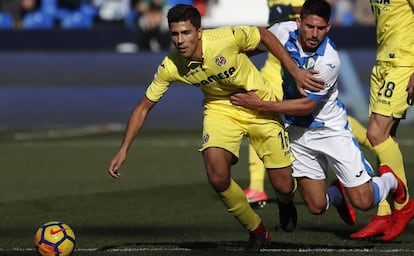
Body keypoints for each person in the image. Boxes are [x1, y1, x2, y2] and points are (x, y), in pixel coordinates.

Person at [107, 4, 323, 252]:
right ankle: (257, 230)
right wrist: (124, 149)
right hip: (220, 109)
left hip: (260, 103)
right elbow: (143, 106)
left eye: (186, 33)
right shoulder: (171, 65)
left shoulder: (224, 38)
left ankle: (286, 203)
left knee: (284, 186)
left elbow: (263, 35)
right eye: (175, 34)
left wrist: (294, 72)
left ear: (199, 32)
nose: (180, 40)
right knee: (217, 175)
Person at [230, 0, 408, 237]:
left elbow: (306, 106)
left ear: (329, 28)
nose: (314, 34)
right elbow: (254, 44)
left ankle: (391, 181)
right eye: (310, 27)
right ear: (298, 22)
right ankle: (337, 194)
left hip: (330, 130)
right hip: (297, 132)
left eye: (320, 29)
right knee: (316, 206)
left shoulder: (329, 59)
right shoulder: (282, 32)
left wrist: (260, 105)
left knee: (364, 201)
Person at [349, 0, 414, 241]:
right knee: (386, 138)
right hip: (383, 63)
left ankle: (404, 205)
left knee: (376, 134)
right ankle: (385, 213)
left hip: (404, 63)